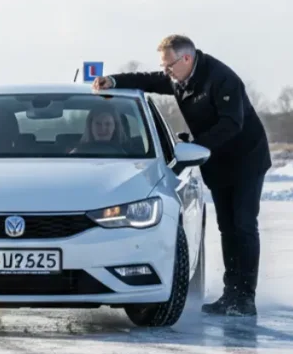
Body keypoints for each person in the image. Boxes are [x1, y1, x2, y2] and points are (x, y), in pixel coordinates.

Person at [92, 34, 271, 316]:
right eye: (164, 67)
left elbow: (231, 124)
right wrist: (113, 81)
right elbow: (148, 80)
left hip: (246, 160)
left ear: (186, 58)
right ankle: (231, 293)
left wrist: (196, 145)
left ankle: (245, 297)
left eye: (169, 66)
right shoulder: (180, 76)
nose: (166, 72)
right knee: (227, 227)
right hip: (216, 160)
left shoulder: (222, 79)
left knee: (244, 225)